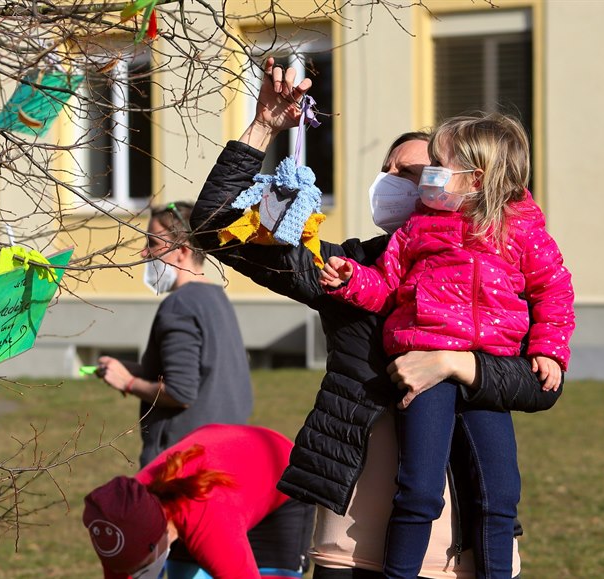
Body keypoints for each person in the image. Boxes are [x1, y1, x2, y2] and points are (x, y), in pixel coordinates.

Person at [190, 59, 562, 579]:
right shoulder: (352, 267)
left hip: (460, 539)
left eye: (409, 173)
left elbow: (539, 384)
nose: (390, 182)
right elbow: (212, 229)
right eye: (386, 170)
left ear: (469, 183)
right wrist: (263, 129)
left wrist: (453, 366)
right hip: (350, 531)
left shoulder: (502, 266)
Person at [318, 112, 574, 578]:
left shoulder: (522, 231)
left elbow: (553, 292)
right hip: (421, 365)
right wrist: (351, 280)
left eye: (438, 163)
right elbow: (386, 288)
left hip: (486, 374)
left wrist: (549, 349)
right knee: (418, 488)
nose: (426, 176)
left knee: (501, 493)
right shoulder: (417, 229)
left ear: (476, 178)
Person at [94, 201, 253, 468]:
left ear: (181, 251)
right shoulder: (216, 297)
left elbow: (180, 392)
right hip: (222, 456)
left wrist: (128, 383)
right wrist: (128, 370)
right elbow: (199, 373)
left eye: (153, 244)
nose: (144, 253)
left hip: (181, 466)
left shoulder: (180, 306)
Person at [83, 424, 315, 579]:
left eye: (141, 568)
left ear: (159, 539)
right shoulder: (117, 518)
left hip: (279, 476)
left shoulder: (209, 519)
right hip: (219, 479)